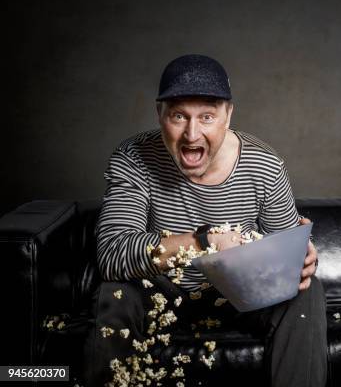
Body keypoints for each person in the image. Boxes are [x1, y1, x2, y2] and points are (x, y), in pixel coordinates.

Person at [82, 54, 327, 387]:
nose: (191, 134)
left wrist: (301, 256)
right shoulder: (133, 158)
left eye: (207, 116)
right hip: (162, 293)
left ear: (228, 115)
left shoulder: (265, 165)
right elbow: (112, 255)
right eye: (179, 116)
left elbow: (285, 258)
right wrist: (204, 242)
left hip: (241, 295)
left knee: (307, 292)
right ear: (160, 114)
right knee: (115, 292)